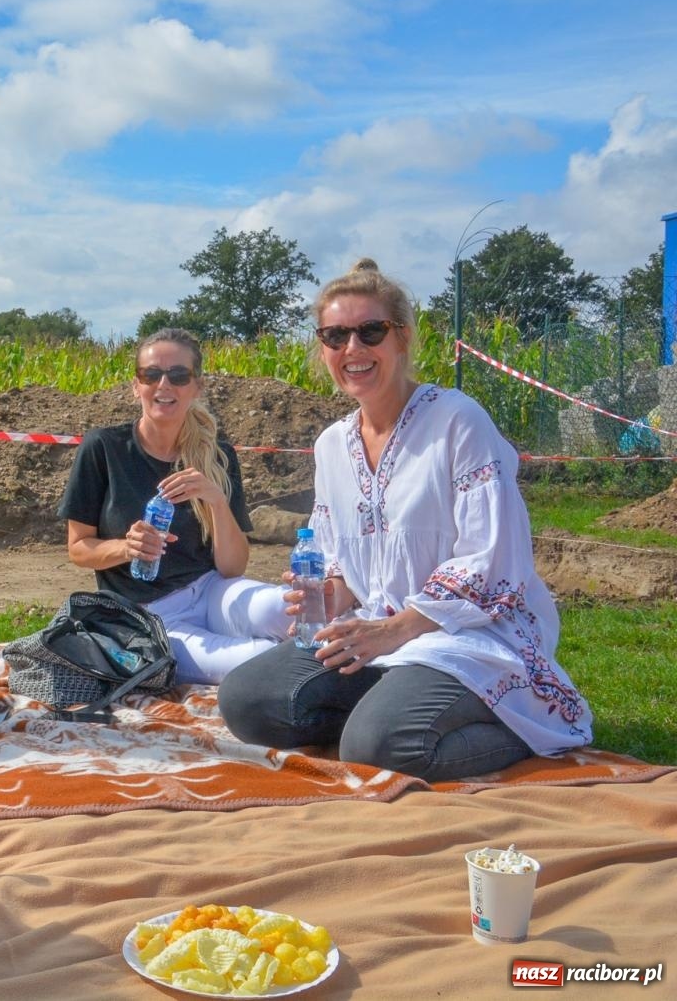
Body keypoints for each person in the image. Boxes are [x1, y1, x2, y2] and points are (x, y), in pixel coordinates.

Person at [218, 259, 593, 781]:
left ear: (402, 338)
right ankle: (393, 706)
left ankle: (523, 725)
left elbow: (492, 559)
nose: (352, 349)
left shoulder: (457, 421)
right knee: (246, 700)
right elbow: (344, 568)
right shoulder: (331, 445)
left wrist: (396, 631)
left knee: (377, 747)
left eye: (370, 331)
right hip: (373, 629)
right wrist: (327, 596)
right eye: (334, 335)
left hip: (468, 630)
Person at [57, 327, 288, 684]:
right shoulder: (104, 448)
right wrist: (127, 547)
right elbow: (78, 549)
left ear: (197, 387)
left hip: (212, 591)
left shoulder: (217, 454)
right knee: (264, 660)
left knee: (292, 609)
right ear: (136, 386)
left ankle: (363, 666)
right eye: (151, 374)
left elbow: (233, 567)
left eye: (178, 375)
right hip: (151, 616)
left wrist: (215, 501)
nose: (164, 385)